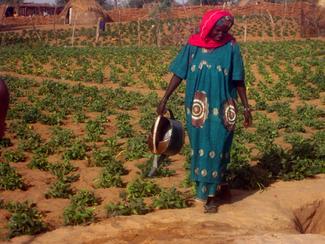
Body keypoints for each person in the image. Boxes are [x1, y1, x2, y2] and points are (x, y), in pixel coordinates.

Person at [157, 9, 252, 213]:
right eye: (218, 29)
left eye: (225, 30)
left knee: (218, 146)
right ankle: (216, 186)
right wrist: (165, 98)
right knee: (201, 146)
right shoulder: (193, 46)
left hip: (224, 106)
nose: (221, 34)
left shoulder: (231, 46)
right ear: (208, 26)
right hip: (198, 107)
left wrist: (246, 107)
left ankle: (210, 196)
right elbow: (178, 73)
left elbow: (239, 78)